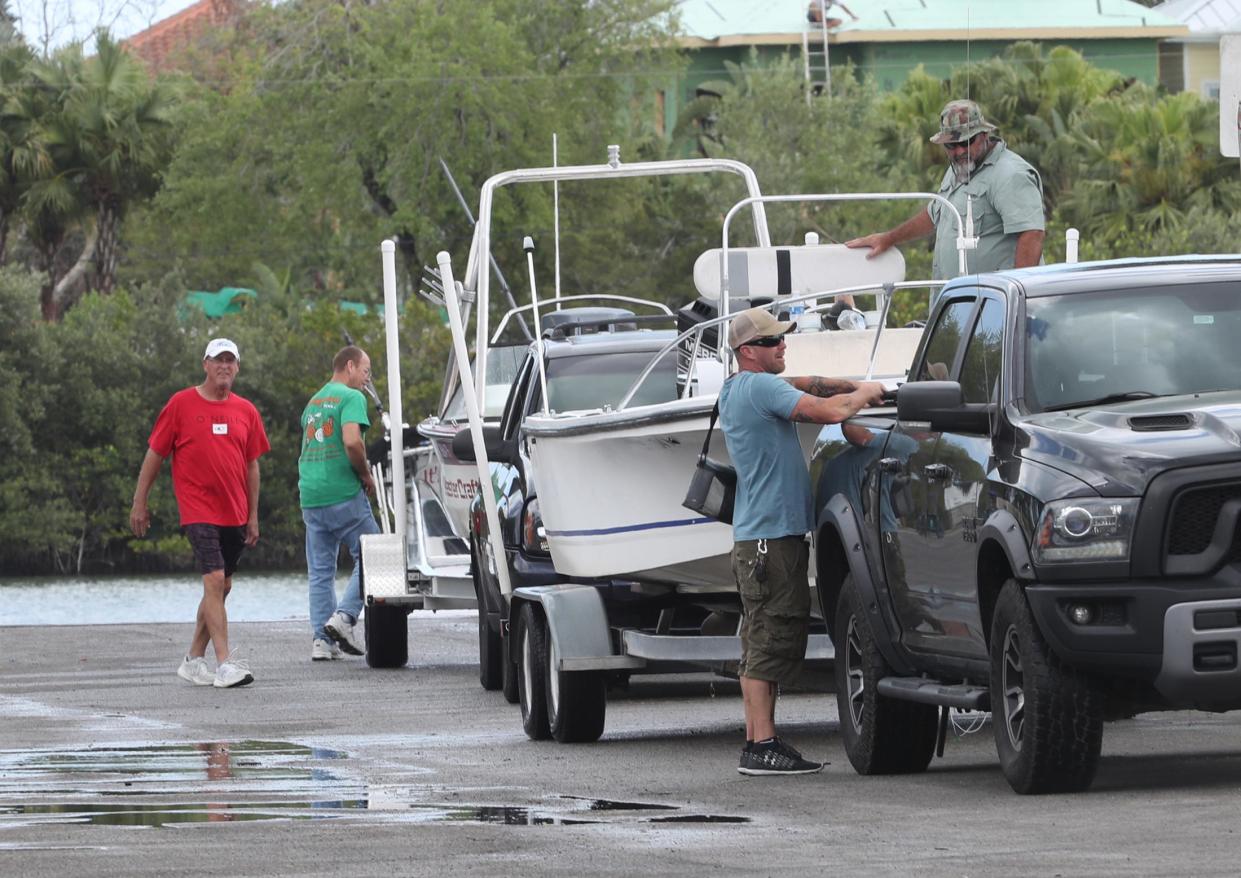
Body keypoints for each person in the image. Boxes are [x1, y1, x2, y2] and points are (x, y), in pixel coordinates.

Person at [720, 307, 885, 776]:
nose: (783, 346)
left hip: (761, 539)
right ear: (748, 352)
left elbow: (812, 384)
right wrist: (866, 394)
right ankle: (761, 745)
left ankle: (760, 741)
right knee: (769, 642)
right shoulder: (761, 387)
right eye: (773, 342)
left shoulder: (740, 387)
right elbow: (827, 411)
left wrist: (845, 385)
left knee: (760, 640)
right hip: (771, 541)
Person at [130, 338, 270, 689]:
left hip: (235, 511)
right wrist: (139, 502)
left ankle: (194, 660)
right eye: (217, 360)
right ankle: (225, 665)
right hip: (197, 508)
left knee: (223, 586)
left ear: (237, 367)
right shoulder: (181, 404)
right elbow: (155, 454)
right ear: (205, 364)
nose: (224, 366)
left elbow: (252, 466)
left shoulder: (246, 411)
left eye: (230, 361)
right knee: (213, 580)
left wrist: (253, 515)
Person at [846, 99, 1045, 283]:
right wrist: (888, 238)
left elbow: (1032, 233)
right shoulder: (958, 168)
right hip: (959, 305)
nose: (959, 151)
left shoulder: (1010, 174)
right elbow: (936, 214)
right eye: (951, 145)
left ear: (985, 135)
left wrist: (1016, 295)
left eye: (966, 142)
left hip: (995, 307)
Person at [298, 345, 379, 661]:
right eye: (365, 371)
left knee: (320, 570)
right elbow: (351, 441)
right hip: (342, 492)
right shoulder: (351, 398)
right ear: (350, 366)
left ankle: (322, 641)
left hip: (311, 494)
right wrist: (366, 474)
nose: (366, 379)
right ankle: (344, 618)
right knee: (373, 556)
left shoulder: (314, 402)